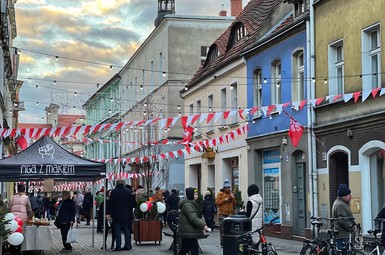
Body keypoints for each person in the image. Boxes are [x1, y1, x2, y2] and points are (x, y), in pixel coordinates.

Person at [178, 187, 210, 255]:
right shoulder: (188, 205)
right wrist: (203, 225)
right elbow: (193, 218)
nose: (197, 196)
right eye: (195, 194)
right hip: (189, 231)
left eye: (197, 194)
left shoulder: (191, 204)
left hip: (189, 231)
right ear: (191, 195)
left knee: (185, 248)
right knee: (194, 250)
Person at [109, 179, 133, 251]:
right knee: (126, 229)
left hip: (116, 213)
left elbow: (111, 203)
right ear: (124, 183)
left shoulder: (114, 191)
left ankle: (118, 246)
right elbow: (130, 204)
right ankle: (127, 245)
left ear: (117, 183)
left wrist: (111, 212)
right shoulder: (128, 191)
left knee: (117, 230)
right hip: (126, 213)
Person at [332, 183, 354, 248]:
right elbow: (342, 220)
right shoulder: (340, 205)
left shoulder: (341, 203)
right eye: (349, 194)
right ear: (344, 196)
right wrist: (351, 228)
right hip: (343, 236)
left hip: (344, 235)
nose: (351, 196)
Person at [215, 179, 236, 247]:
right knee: (223, 229)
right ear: (224, 188)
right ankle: (223, 242)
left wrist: (233, 198)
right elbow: (217, 203)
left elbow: (235, 204)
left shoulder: (231, 193)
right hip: (222, 214)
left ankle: (229, 242)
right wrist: (225, 199)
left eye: (229, 187)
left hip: (230, 214)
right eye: (227, 187)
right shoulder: (220, 194)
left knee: (230, 229)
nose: (228, 189)